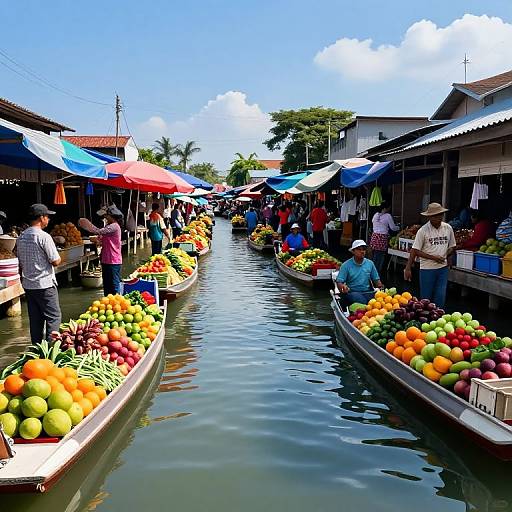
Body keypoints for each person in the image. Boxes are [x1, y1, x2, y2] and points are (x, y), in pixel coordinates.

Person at [16, 204, 62, 344]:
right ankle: (49, 350)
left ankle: (36, 349)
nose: (48, 219)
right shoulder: (44, 236)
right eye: (47, 216)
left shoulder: (21, 237)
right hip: (45, 284)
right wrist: (60, 258)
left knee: (36, 319)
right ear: (41, 218)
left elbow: (19, 262)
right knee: (54, 317)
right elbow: (55, 261)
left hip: (29, 285)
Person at [404, 203, 456, 308]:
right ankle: (425, 320)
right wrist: (408, 268)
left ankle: (438, 318)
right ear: (430, 217)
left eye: (441, 215)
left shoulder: (448, 228)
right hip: (427, 268)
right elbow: (415, 250)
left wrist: (446, 254)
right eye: (436, 216)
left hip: (443, 268)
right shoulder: (423, 231)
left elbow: (452, 246)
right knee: (426, 299)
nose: (439, 218)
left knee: (440, 297)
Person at [79, 205, 123, 296]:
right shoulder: (109, 226)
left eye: (106, 216)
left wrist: (88, 225)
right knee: (107, 285)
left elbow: (98, 231)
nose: (105, 217)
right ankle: (108, 302)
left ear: (111, 216)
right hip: (106, 259)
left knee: (114, 285)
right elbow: (101, 238)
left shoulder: (114, 226)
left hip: (113, 260)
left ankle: (117, 301)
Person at [336, 239, 383, 306]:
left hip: (368, 292)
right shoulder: (346, 265)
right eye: (359, 249)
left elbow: (376, 280)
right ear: (353, 251)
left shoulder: (370, 263)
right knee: (360, 300)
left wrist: (382, 289)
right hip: (352, 293)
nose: (362, 251)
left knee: (379, 301)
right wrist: (343, 287)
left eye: (363, 249)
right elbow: (339, 281)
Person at [370, 201, 399, 274]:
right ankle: (376, 273)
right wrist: (399, 227)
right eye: (389, 208)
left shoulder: (376, 215)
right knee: (380, 256)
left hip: (374, 236)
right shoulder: (388, 216)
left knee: (375, 255)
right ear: (385, 208)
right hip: (382, 237)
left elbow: (373, 223)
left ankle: (372, 271)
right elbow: (393, 228)